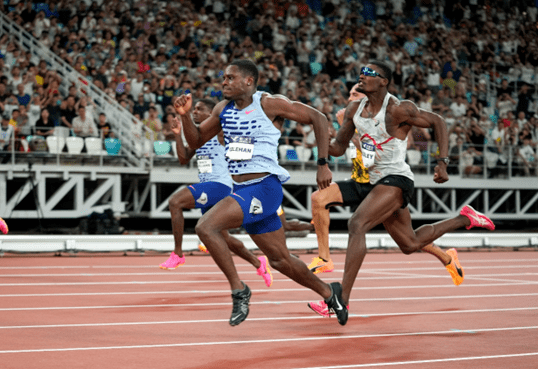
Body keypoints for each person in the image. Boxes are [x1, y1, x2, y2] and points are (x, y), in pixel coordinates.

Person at [307, 61, 496, 326]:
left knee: (356, 224)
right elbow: (338, 147)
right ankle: (465, 218)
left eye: (370, 73)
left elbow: (438, 122)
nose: (363, 75)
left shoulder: (398, 109)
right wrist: (323, 137)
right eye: (362, 72)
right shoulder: (354, 110)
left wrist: (442, 162)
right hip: (376, 183)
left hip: (397, 180)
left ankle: (341, 298)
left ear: (384, 81)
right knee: (410, 244)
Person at [173, 59, 336, 326]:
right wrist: (184, 115)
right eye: (223, 77)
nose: (224, 82)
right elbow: (196, 140)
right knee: (281, 260)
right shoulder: (222, 109)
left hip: (264, 187)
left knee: (206, 227)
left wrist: (322, 164)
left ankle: (239, 290)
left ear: (248, 81)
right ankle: (330, 293)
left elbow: (319, 117)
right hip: (243, 189)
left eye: (230, 78)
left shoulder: (268, 104)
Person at [158, 98, 273, 288]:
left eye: (199, 109)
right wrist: (178, 134)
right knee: (224, 238)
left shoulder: (220, 131)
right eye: (194, 109)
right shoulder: (198, 136)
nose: (195, 111)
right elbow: (183, 159)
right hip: (210, 186)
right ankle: (258, 263)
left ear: (211, 114)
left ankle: (177, 254)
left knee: (175, 202)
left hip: (219, 185)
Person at [308, 83, 367, 275]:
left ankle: (447, 256)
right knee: (319, 198)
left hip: (382, 186)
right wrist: (326, 134)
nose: (349, 99)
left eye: (355, 94)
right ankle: (325, 259)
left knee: (408, 241)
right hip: (358, 182)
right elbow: (337, 150)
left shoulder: (378, 121)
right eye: (349, 94)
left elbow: (372, 159)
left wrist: (345, 128)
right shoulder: (352, 123)